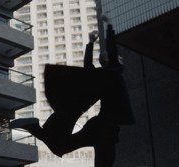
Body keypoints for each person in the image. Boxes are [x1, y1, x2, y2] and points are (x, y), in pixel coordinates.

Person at [10, 15, 134, 167]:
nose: (121, 58)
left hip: (97, 126)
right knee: (105, 163)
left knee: (62, 146)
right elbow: (112, 51)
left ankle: (34, 128)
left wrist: (90, 43)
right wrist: (109, 26)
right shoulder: (113, 73)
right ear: (111, 61)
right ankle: (34, 127)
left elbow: (88, 65)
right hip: (106, 130)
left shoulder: (100, 77)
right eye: (117, 58)